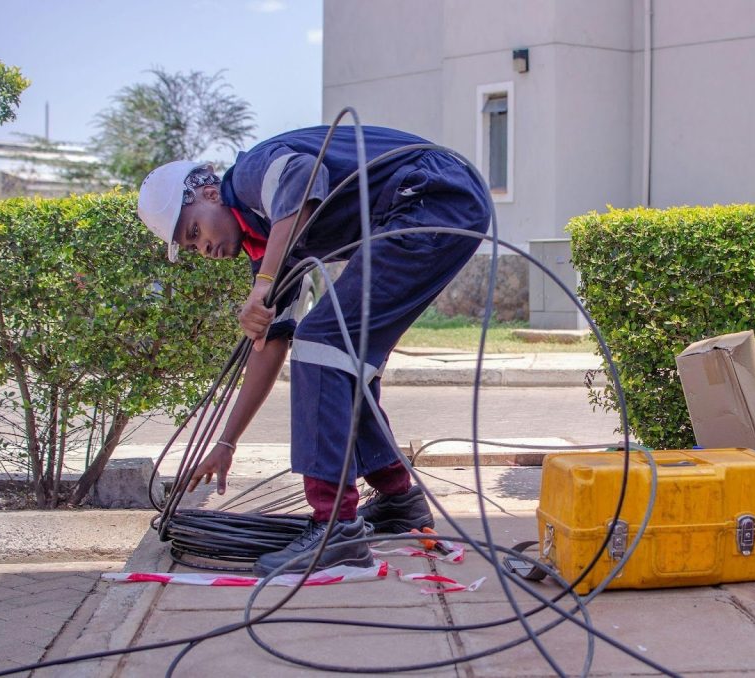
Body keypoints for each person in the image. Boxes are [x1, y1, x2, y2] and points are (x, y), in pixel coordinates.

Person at [137, 125, 490, 575]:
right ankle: (399, 501)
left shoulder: (247, 176)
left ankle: (334, 532)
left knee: (324, 341)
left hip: (431, 194)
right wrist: (227, 442)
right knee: (341, 355)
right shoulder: (269, 241)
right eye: (191, 247)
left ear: (208, 191)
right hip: (435, 202)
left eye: (194, 229)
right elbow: (272, 344)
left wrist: (264, 283)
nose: (202, 247)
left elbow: (303, 178)